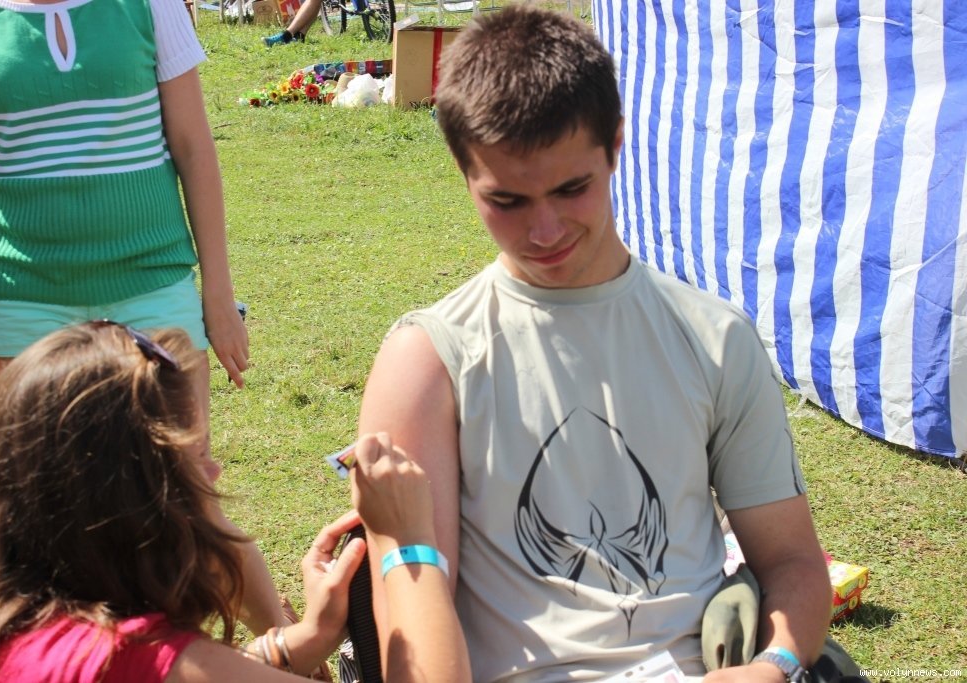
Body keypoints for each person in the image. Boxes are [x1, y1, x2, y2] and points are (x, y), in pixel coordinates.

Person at [357, 5, 833, 682]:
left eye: (571, 189)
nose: (545, 230)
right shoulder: (429, 360)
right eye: (507, 201)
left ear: (615, 144)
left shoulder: (716, 338)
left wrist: (773, 664)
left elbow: (792, 562)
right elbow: (417, 652)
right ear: (463, 172)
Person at [0, 0, 286, 637]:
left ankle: (293, 652)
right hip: (24, 302)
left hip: (152, 285)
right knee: (46, 519)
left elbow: (193, 148)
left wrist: (217, 295)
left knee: (183, 502)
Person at [0, 322, 469, 683]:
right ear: (137, 502)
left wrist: (298, 642)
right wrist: (407, 544)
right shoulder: (139, 661)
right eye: (195, 457)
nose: (215, 472)